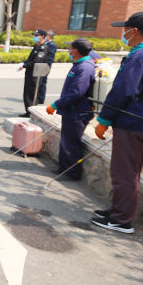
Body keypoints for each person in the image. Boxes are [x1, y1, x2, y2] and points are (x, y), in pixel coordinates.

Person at [92, 12, 143, 234]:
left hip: (132, 123)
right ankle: (116, 210)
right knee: (130, 171)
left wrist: (104, 119)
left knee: (124, 173)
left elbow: (123, 91)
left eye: (126, 30)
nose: (123, 34)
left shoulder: (140, 56)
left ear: (135, 31)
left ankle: (121, 220)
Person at [46, 38, 95, 180]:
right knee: (66, 141)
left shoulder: (85, 68)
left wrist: (56, 104)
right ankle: (63, 169)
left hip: (77, 112)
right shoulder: (80, 65)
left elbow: (76, 92)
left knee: (71, 143)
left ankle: (71, 174)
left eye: (70, 48)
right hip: (71, 111)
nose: (69, 50)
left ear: (76, 51)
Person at [18, 29, 51, 116]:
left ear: (43, 36)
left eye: (37, 36)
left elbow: (37, 61)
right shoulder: (36, 47)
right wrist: (24, 63)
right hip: (30, 73)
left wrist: (24, 66)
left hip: (35, 74)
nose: (35, 37)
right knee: (27, 93)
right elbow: (30, 59)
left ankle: (32, 113)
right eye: (35, 35)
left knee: (32, 94)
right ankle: (28, 112)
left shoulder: (43, 48)